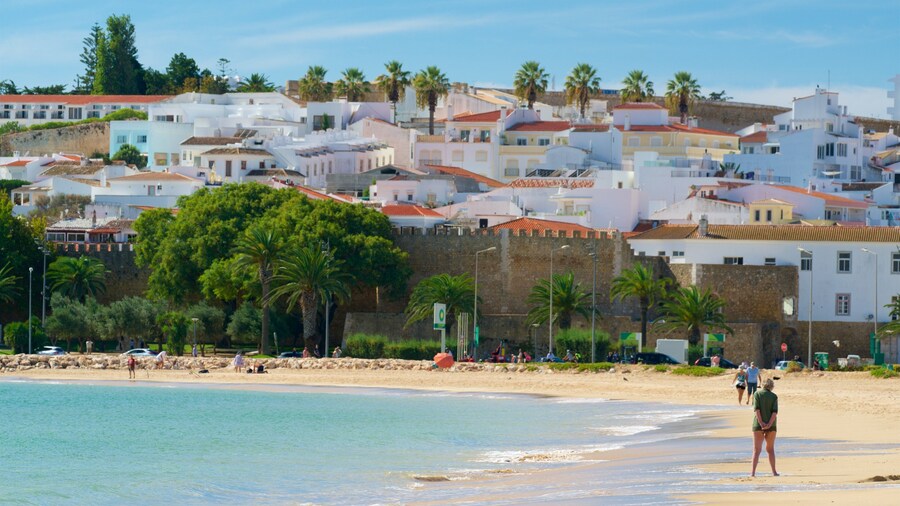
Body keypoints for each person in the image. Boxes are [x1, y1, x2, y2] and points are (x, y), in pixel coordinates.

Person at [751, 378, 779, 477]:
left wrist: (761, 423)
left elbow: (757, 410)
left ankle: (753, 473)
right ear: (771, 386)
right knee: (770, 449)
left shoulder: (757, 394)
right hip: (772, 425)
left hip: (758, 425)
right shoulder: (774, 396)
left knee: (756, 450)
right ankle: (774, 472)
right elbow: (774, 412)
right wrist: (769, 424)